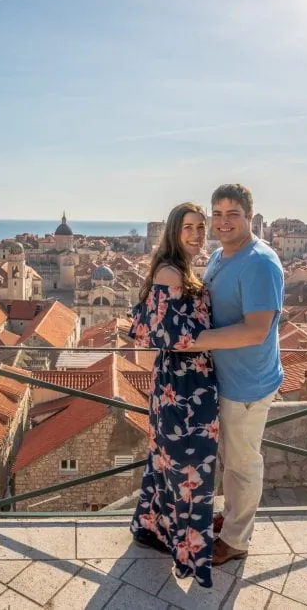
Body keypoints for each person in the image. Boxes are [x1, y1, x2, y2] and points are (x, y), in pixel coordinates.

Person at [175, 183, 284, 566]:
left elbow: (257, 329)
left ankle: (237, 539)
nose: (222, 222)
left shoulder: (259, 262)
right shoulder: (223, 255)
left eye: (232, 214)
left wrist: (195, 340)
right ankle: (232, 516)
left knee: (242, 462)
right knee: (230, 457)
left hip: (247, 384)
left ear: (249, 217)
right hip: (225, 378)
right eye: (216, 214)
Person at [128, 201, 219, 588]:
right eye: (188, 228)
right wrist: (239, 337)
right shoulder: (170, 271)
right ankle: (190, 554)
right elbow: (168, 335)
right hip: (182, 386)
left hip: (182, 383)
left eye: (201, 227)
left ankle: (150, 528)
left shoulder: (180, 268)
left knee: (168, 463)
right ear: (173, 231)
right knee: (191, 470)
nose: (197, 234)